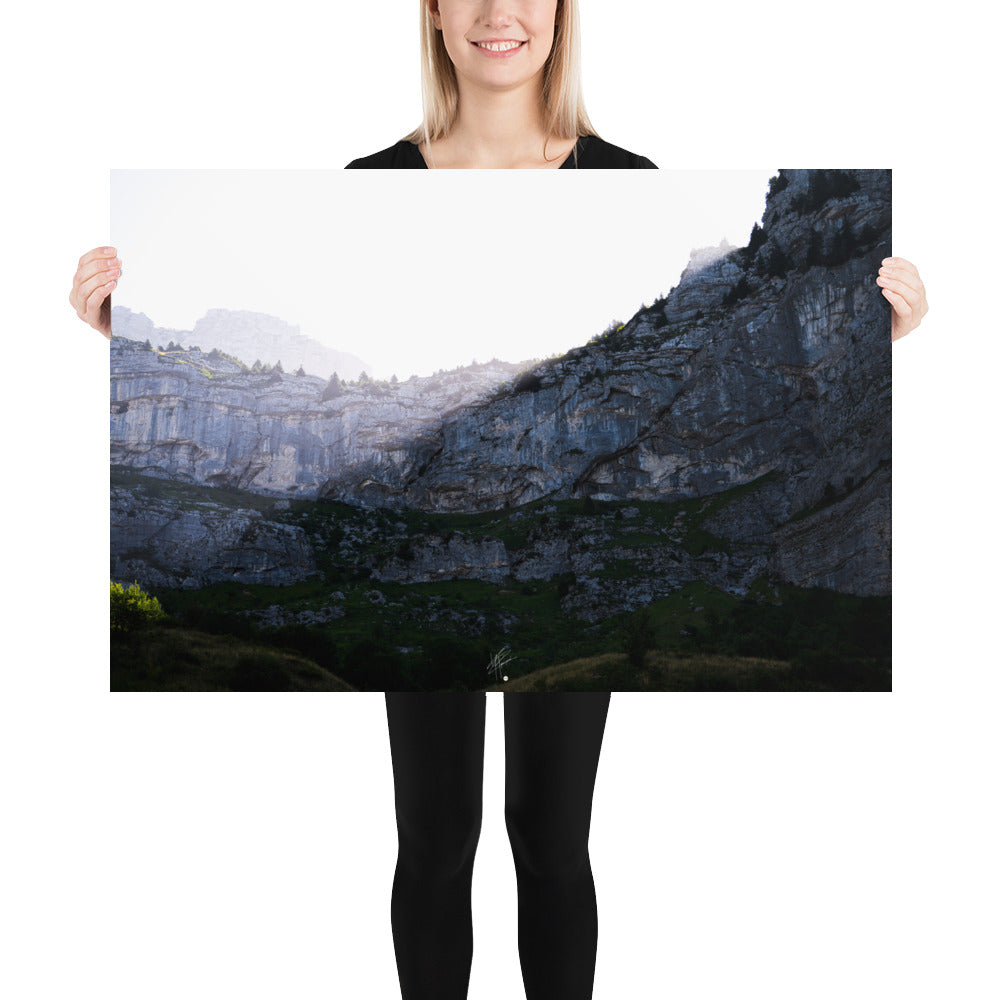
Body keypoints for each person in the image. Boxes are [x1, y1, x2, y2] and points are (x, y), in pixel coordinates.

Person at [70, 3, 929, 998]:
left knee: (552, 836)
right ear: (430, 14)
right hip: (409, 536)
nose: (497, 14)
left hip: (571, 554)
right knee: (435, 838)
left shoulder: (623, 183)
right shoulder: (369, 187)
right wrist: (117, 339)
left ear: (563, 14)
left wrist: (875, 340)